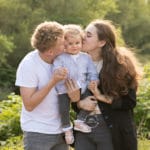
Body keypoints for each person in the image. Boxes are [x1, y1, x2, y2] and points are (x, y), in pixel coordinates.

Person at [67, 19, 141, 150]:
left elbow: (129, 102)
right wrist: (78, 103)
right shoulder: (76, 63)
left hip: (113, 130)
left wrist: (101, 96)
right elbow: (74, 96)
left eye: (88, 35)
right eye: (84, 33)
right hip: (84, 129)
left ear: (101, 42)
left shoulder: (121, 65)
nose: (83, 37)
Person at [15, 21, 69, 150]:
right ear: (50, 52)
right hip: (37, 132)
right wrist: (53, 81)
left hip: (60, 131)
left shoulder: (63, 60)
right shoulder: (29, 64)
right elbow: (29, 105)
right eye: (62, 44)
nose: (66, 45)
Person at [53, 24, 101, 145]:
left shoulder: (86, 57)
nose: (74, 46)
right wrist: (59, 72)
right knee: (63, 109)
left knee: (92, 100)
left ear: (81, 42)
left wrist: (94, 80)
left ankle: (80, 121)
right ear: (64, 45)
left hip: (83, 87)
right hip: (64, 88)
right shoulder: (60, 57)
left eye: (77, 43)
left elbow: (92, 71)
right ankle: (67, 128)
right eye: (70, 44)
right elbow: (55, 69)